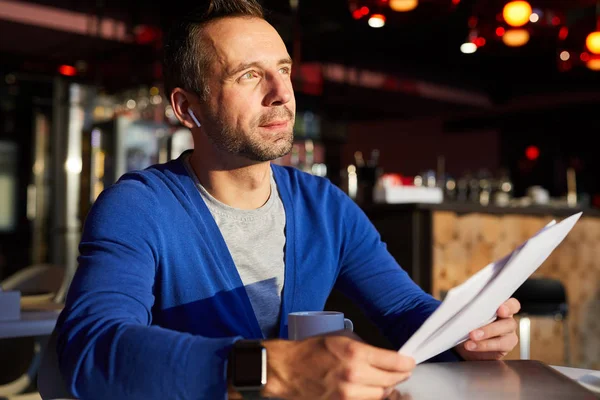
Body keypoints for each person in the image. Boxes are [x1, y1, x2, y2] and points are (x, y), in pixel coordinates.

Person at [55, 1, 520, 399]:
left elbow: (403, 311)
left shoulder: (325, 207)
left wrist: (465, 334)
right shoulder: (138, 207)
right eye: (249, 75)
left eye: (283, 70)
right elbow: (89, 349)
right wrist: (268, 368)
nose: (281, 95)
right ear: (187, 108)